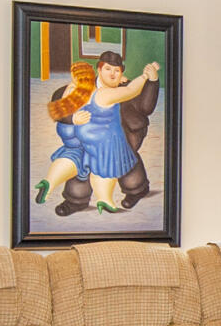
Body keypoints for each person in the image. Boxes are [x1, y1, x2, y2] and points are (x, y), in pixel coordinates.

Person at [35, 53, 163, 215]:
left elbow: (145, 107)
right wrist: (73, 118)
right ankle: (76, 200)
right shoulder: (81, 87)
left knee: (124, 159)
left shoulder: (125, 87)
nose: (112, 74)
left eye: (117, 70)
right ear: (99, 70)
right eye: (108, 69)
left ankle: (136, 189)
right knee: (80, 160)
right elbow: (58, 108)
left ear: (122, 72)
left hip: (123, 134)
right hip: (85, 138)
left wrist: (152, 80)